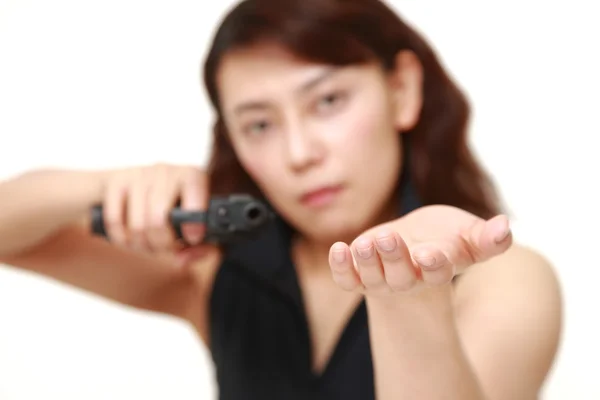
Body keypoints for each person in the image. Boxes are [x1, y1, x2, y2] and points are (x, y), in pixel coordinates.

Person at [0, 0, 562, 399]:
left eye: (328, 101)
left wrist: (407, 298)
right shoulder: (215, 271)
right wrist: (104, 185)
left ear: (402, 89)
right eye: (260, 124)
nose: (299, 152)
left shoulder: (508, 281)